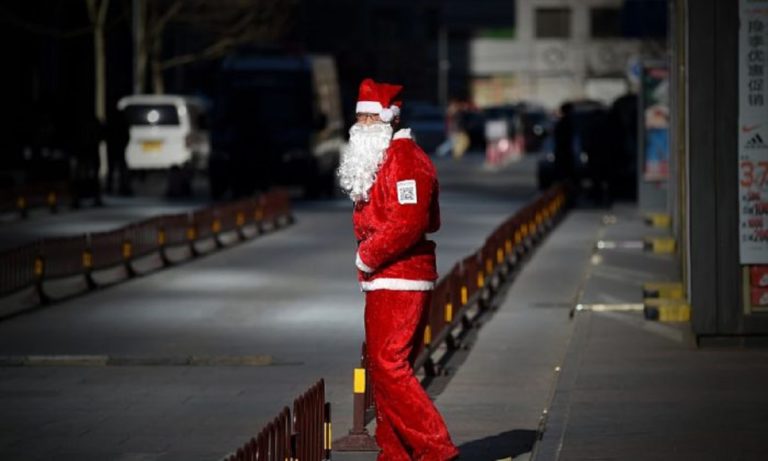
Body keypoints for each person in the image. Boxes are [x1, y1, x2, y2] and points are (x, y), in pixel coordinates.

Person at [337, 78, 459, 461]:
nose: (360, 126)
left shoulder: (405, 159)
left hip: (400, 275)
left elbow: (410, 221)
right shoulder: (386, 157)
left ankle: (436, 448)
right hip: (386, 277)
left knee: (390, 366)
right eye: (357, 118)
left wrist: (369, 254)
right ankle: (395, 451)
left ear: (386, 119)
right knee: (385, 367)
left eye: (367, 118)